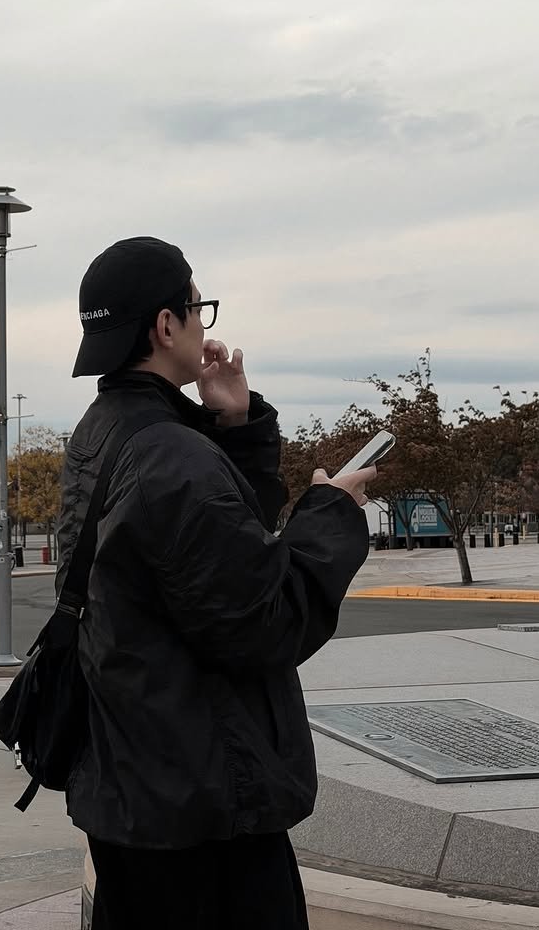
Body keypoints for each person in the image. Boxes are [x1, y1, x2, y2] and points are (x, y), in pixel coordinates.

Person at [58, 236, 375, 930]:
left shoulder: (104, 430)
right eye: (197, 305)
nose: (204, 322)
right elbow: (262, 622)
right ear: (166, 325)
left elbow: (211, 557)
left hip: (136, 780)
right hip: (200, 799)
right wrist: (333, 515)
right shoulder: (171, 455)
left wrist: (233, 423)